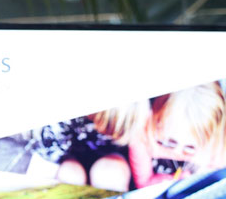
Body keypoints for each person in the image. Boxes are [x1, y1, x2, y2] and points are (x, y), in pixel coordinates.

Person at [55, 81, 226, 191]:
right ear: (152, 118)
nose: (178, 151)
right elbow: (142, 182)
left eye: (190, 147)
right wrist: (177, 179)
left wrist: (200, 176)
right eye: (168, 143)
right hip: (90, 155)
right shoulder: (143, 133)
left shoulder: (218, 148)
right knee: (97, 172)